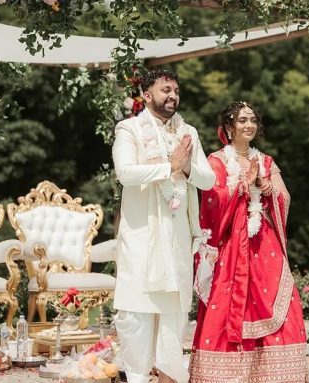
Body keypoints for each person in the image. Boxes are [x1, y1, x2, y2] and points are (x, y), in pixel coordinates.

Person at [189, 101, 309, 382]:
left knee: (284, 301)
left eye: (253, 120)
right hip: (232, 244)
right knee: (229, 303)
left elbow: (285, 197)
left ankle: (278, 374)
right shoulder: (216, 161)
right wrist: (242, 184)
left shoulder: (266, 161)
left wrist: (265, 186)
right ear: (229, 128)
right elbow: (211, 200)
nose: (249, 125)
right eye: (242, 120)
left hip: (265, 244)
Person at [112, 69, 215, 383]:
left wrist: (185, 167)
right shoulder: (128, 128)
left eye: (176, 91)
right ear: (146, 94)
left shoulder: (188, 133)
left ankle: (171, 377)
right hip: (141, 237)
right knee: (136, 314)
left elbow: (208, 180)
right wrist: (167, 167)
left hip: (176, 239)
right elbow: (125, 173)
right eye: (165, 90)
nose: (172, 96)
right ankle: (137, 377)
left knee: (173, 318)